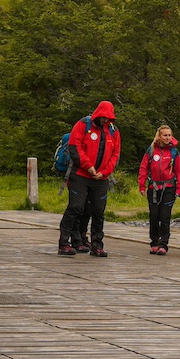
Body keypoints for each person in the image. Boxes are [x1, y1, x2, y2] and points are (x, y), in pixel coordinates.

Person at [59, 101, 121, 257]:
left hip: (101, 178)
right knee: (76, 207)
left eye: (109, 118)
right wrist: (88, 166)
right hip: (80, 174)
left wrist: (104, 172)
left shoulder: (113, 131)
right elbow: (75, 146)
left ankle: (96, 245)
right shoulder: (82, 125)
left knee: (98, 211)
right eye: (104, 117)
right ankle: (64, 243)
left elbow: (115, 155)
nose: (105, 121)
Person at [137, 125, 180, 254]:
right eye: (165, 135)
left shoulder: (174, 152)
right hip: (153, 188)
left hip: (169, 188)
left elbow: (179, 171)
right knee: (154, 216)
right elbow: (143, 168)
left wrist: (179, 189)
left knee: (165, 216)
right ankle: (154, 241)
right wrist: (142, 184)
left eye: (169, 135)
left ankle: (163, 244)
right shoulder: (151, 150)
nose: (168, 138)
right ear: (159, 136)